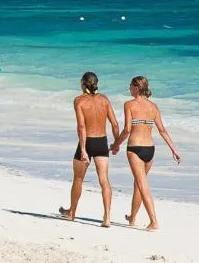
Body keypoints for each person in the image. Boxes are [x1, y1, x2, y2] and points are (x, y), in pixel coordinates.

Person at [110, 76, 181, 231]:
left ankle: (154, 221)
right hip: (150, 149)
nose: (129, 88)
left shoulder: (129, 104)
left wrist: (116, 145)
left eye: (130, 86)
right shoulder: (153, 107)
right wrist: (173, 149)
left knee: (142, 185)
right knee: (138, 184)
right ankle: (132, 217)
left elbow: (127, 130)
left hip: (135, 148)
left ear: (136, 87)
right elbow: (162, 130)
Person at [59, 72, 119, 227]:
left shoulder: (79, 101)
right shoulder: (104, 100)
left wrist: (84, 150)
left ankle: (72, 213)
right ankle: (107, 218)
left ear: (82, 83)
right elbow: (115, 124)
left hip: (87, 141)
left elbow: (81, 126)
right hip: (101, 142)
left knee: (78, 179)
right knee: (104, 180)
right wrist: (116, 143)